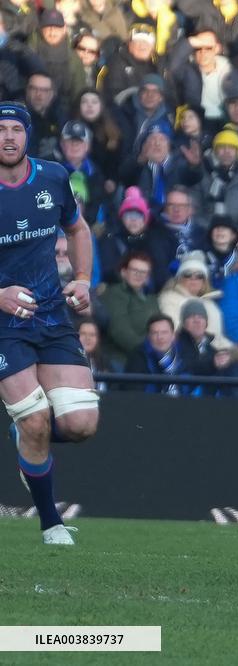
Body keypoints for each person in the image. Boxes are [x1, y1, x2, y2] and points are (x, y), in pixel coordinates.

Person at [0, 101, 99, 546]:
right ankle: (50, 523)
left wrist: (81, 279)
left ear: (27, 135)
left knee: (81, 425)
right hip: (3, 324)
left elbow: (78, 230)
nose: (7, 138)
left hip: (51, 315)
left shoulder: (55, 177)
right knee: (37, 420)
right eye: (0, 130)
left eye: (15, 129)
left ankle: (23, 429)